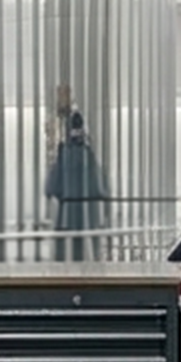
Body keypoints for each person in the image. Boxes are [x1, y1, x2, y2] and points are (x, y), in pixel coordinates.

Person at [46, 108, 108, 261]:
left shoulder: (63, 155)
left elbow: (51, 187)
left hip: (65, 219)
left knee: (64, 259)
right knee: (86, 258)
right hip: (87, 219)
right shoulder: (89, 156)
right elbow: (99, 188)